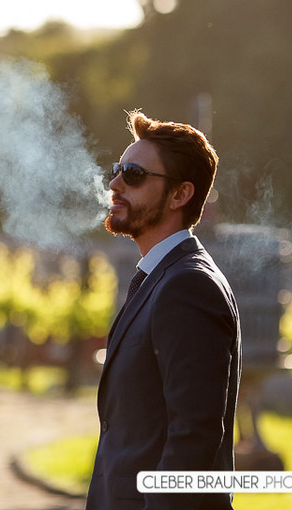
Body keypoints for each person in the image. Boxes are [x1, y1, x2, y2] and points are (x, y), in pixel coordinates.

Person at [87, 111, 241, 510]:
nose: (114, 183)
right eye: (117, 169)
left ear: (179, 195)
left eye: (134, 174)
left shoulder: (188, 287)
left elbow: (193, 439)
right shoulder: (162, 279)